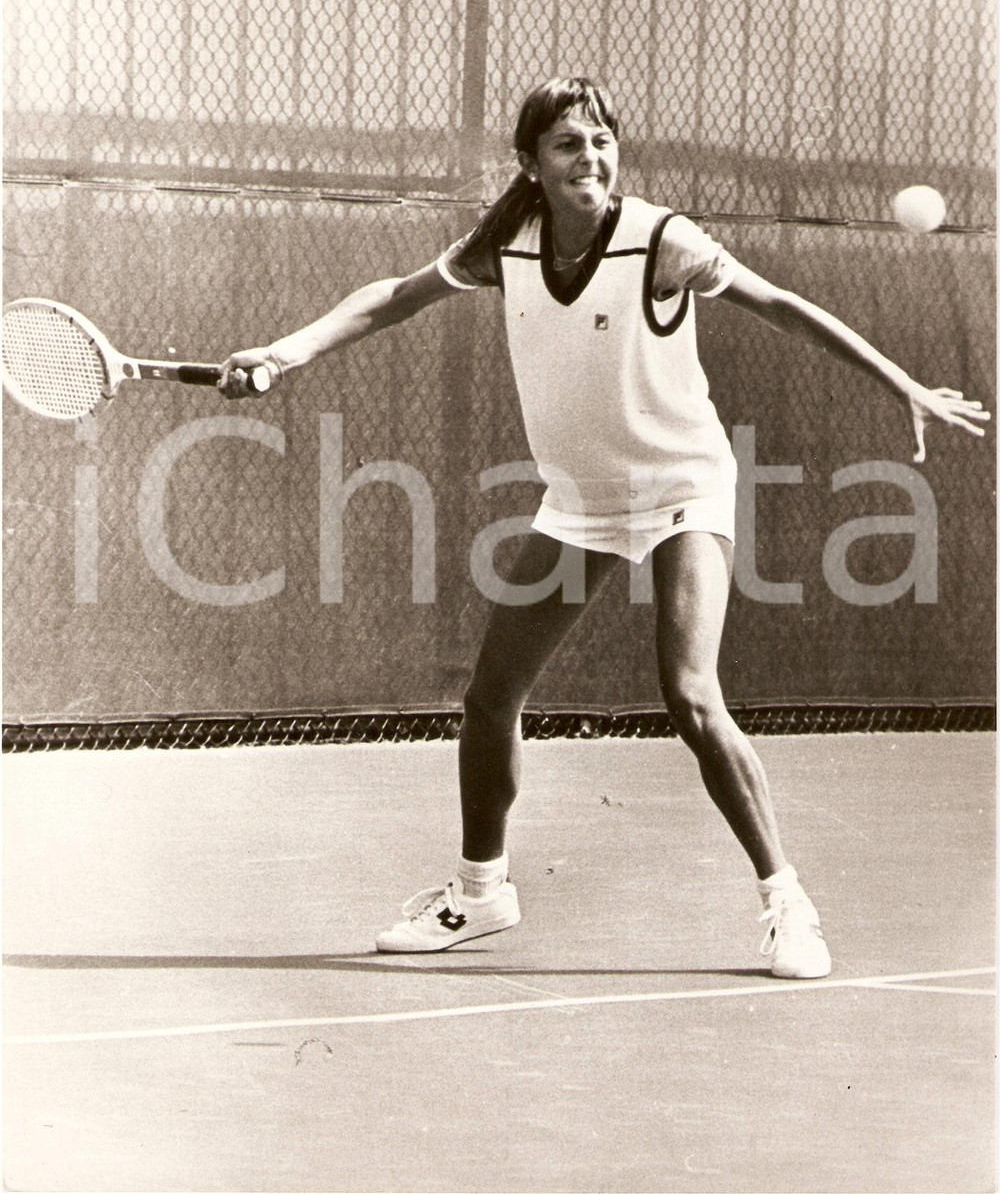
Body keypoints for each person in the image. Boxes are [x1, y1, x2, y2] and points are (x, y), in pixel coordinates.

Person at [221, 77, 988, 978]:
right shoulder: (507, 240)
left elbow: (779, 303)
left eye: (601, 142)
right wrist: (286, 349)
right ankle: (480, 892)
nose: (590, 159)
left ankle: (787, 900)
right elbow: (394, 294)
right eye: (567, 146)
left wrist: (900, 382)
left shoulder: (660, 240)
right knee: (490, 696)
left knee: (690, 694)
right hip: (580, 501)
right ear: (532, 165)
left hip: (682, 489)